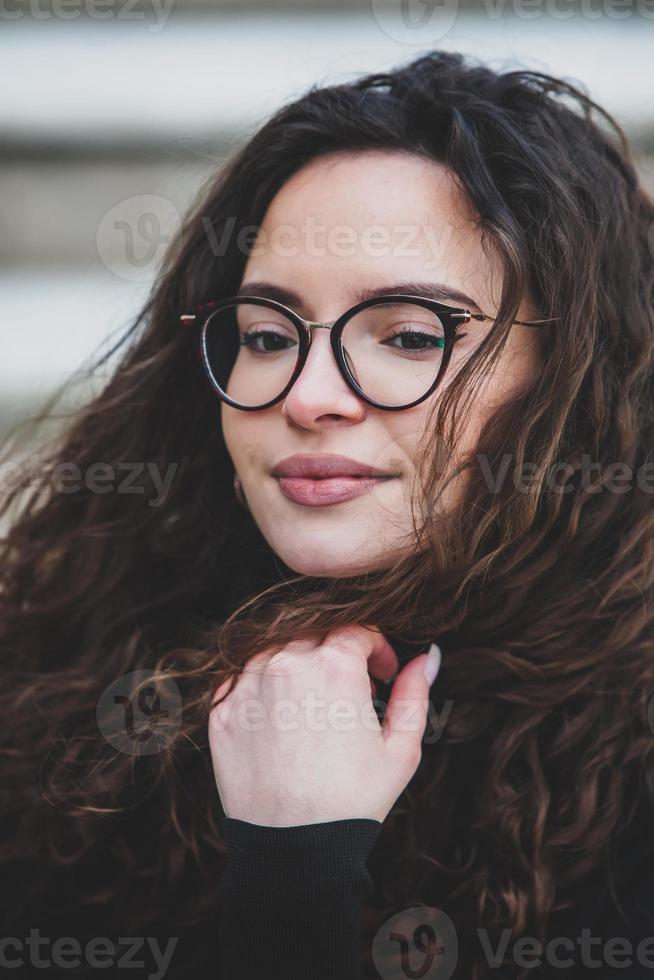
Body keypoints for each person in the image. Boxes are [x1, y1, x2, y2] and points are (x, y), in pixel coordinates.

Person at [1, 48, 654, 980]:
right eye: (267, 335)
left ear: (576, 385)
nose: (308, 395)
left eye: (410, 336)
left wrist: (297, 866)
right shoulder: (67, 711)